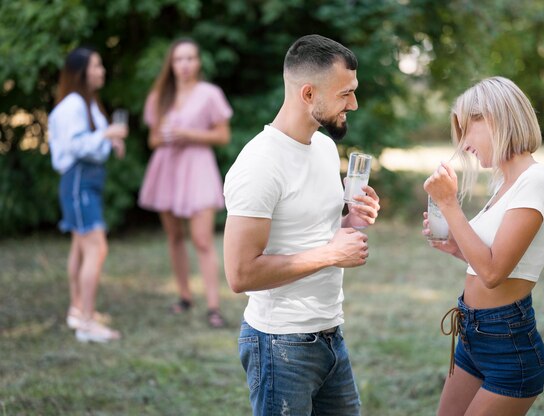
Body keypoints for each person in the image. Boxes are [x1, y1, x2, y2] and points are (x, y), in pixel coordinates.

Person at [223, 34, 381, 415]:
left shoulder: (325, 148)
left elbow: (312, 232)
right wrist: (330, 254)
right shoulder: (259, 165)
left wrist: (352, 219)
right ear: (308, 94)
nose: (354, 103)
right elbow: (240, 274)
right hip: (280, 346)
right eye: (345, 93)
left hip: (330, 336)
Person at [422, 76, 544, 415]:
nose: (465, 144)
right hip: (473, 336)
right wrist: (456, 248)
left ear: (494, 119)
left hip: (508, 345)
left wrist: (450, 205)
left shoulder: (536, 181)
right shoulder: (504, 182)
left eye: (467, 130)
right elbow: (490, 259)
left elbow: (494, 272)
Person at [138, 38, 233, 328]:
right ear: (172, 63)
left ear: (198, 62)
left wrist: (189, 135)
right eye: (179, 59)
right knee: (174, 237)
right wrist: (167, 137)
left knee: (202, 239)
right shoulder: (159, 96)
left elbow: (223, 136)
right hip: (167, 168)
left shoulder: (210, 94)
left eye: (190, 58)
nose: (185, 64)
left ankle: (214, 306)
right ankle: (184, 296)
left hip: (198, 168)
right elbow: (152, 139)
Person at [48, 47, 128, 343]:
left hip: (85, 180)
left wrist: (109, 144)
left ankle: (77, 309)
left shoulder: (87, 102)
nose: (102, 70)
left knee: (81, 247)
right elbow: (76, 145)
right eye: (97, 65)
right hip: (78, 179)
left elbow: (92, 143)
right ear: (82, 72)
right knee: (96, 247)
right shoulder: (73, 105)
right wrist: (107, 136)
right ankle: (87, 323)